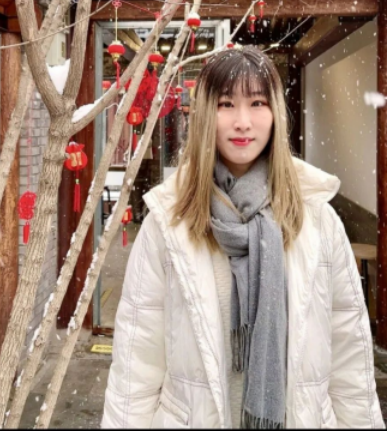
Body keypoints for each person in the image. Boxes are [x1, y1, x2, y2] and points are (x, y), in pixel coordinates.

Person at [102, 45, 384, 429]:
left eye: (257, 103)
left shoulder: (317, 220)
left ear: (275, 113)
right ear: (205, 114)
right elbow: (137, 361)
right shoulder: (168, 223)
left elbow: (349, 360)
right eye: (226, 104)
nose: (243, 122)